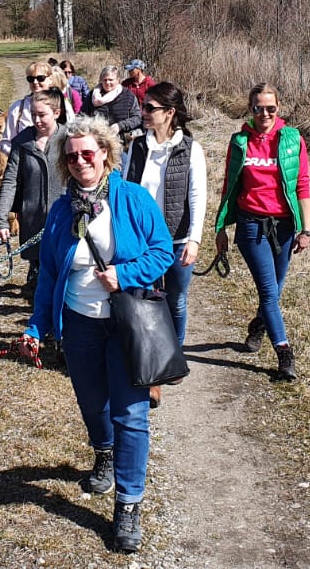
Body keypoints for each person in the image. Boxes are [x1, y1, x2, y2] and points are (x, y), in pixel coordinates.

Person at [18, 116, 173, 554]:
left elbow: (163, 251)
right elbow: (49, 273)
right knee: (92, 404)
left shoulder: (133, 199)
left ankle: (128, 504)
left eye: (89, 152)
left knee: (131, 415)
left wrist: (125, 274)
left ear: (105, 152)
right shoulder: (61, 211)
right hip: (79, 324)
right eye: (72, 156)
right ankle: (103, 452)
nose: (81, 161)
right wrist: (36, 326)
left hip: (127, 325)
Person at [212, 82, 310, 381]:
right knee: (269, 292)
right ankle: (285, 354)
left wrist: (306, 228)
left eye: (271, 108)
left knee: (275, 291)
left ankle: (258, 326)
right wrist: (220, 228)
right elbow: (228, 188)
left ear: (278, 108)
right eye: (258, 108)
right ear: (250, 109)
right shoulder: (240, 141)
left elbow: (303, 184)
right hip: (251, 225)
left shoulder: (292, 139)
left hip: (283, 226)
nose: (265, 113)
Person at [124, 81, 207, 407]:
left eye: (149, 108)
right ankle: (151, 372)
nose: (142, 112)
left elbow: (197, 197)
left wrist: (195, 239)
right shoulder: (137, 146)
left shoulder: (191, 149)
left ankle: (173, 358)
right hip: (141, 240)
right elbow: (126, 186)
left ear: (170, 113)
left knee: (175, 301)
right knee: (142, 303)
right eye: (143, 106)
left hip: (176, 239)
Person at [0, 90, 64, 300]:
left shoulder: (70, 139)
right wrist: (1, 221)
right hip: (33, 222)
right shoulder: (22, 143)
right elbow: (10, 182)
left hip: (64, 223)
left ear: (57, 113)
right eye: (33, 114)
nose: (36, 119)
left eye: (42, 114)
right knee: (38, 280)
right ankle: (38, 325)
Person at [1, 61, 55, 153]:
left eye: (40, 78)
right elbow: (6, 143)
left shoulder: (62, 105)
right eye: (30, 79)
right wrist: (21, 157)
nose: (35, 82)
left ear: (50, 79)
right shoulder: (17, 108)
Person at [81, 64, 141, 141]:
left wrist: (120, 126)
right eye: (105, 80)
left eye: (111, 80)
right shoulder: (92, 96)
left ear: (118, 80)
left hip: (120, 141)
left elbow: (137, 118)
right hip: (96, 140)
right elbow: (82, 115)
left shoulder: (128, 96)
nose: (107, 82)